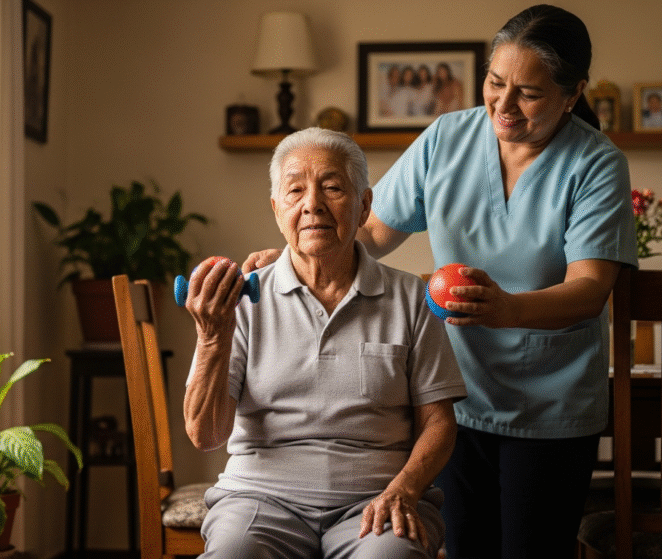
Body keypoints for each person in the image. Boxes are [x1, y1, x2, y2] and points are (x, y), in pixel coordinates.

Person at [245, 6, 638, 558]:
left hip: (551, 408)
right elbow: (375, 230)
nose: (502, 106)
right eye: (495, 83)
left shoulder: (596, 164)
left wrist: (506, 309)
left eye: (528, 93)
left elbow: (590, 289)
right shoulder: (448, 138)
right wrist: (297, 254)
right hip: (456, 398)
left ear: (572, 95)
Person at [184, 127, 468, 559]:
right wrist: (211, 336)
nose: (312, 204)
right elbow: (205, 436)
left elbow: (439, 423)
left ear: (364, 205)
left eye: (333, 187)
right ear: (277, 208)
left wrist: (405, 488)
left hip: (376, 498)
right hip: (259, 497)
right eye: (295, 190)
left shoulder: (411, 297)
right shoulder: (240, 301)